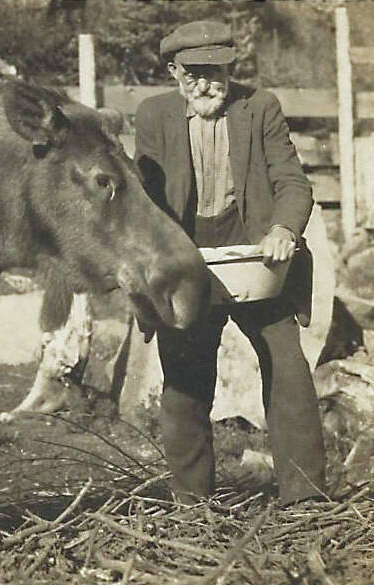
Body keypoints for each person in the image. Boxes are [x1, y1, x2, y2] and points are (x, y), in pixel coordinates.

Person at [135, 20, 325, 505]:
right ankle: (192, 502)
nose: (205, 84)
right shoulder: (154, 115)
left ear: (230, 69)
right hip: (186, 254)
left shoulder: (260, 107)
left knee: (288, 366)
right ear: (174, 72)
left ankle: (304, 498)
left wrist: (283, 229)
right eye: (193, 73)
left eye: (215, 71)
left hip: (256, 252)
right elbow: (146, 196)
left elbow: (291, 181)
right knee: (184, 378)